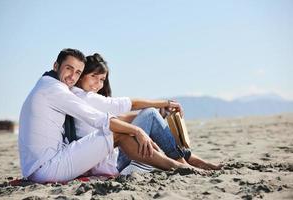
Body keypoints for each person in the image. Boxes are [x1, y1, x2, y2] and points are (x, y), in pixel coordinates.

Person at [18, 48, 191, 183]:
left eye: (77, 72)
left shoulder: (48, 85)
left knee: (126, 126)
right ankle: (179, 165)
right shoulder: (56, 90)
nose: (72, 76)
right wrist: (138, 131)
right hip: (47, 168)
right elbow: (101, 119)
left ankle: (182, 162)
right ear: (56, 66)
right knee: (115, 132)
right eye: (69, 69)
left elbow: (118, 116)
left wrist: (142, 123)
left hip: (39, 166)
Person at [72, 53, 222, 175]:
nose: (97, 84)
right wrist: (165, 103)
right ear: (82, 75)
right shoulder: (84, 97)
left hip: (109, 159)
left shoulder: (81, 98)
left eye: (102, 79)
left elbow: (120, 119)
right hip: (111, 164)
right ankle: (184, 161)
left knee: (150, 114)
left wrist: (157, 115)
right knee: (149, 114)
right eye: (93, 76)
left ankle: (186, 158)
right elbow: (132, 104)